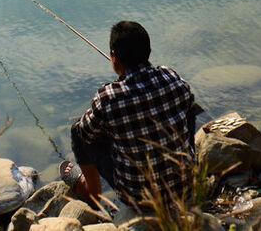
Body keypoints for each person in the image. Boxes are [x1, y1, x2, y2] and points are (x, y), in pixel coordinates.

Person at [64, 20, 198, 212]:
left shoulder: (108, 97)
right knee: (188, 104)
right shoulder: (171, 77)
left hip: (138, 198)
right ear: (149, 52)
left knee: (78, 130)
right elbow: (185, 103)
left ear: (114, 58)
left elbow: (85, 133)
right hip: (186, 186)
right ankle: (189, 162)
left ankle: (90, 191)